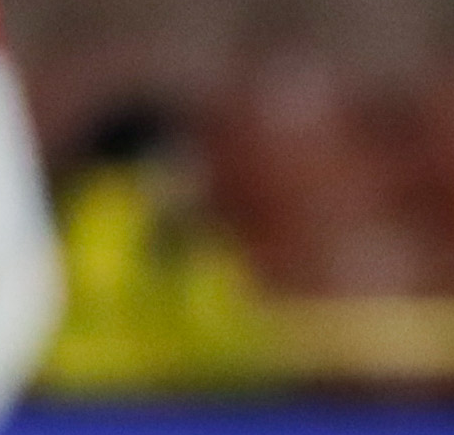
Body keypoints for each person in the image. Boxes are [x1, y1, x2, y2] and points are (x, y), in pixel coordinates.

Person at [41, 100, 278, 396]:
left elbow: (227, 335)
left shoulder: (188, 238)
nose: (196, 178)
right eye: (186, 163)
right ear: (158, 164)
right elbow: (97, 296)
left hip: (142, 391)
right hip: (98, 394)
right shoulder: (105, 214)